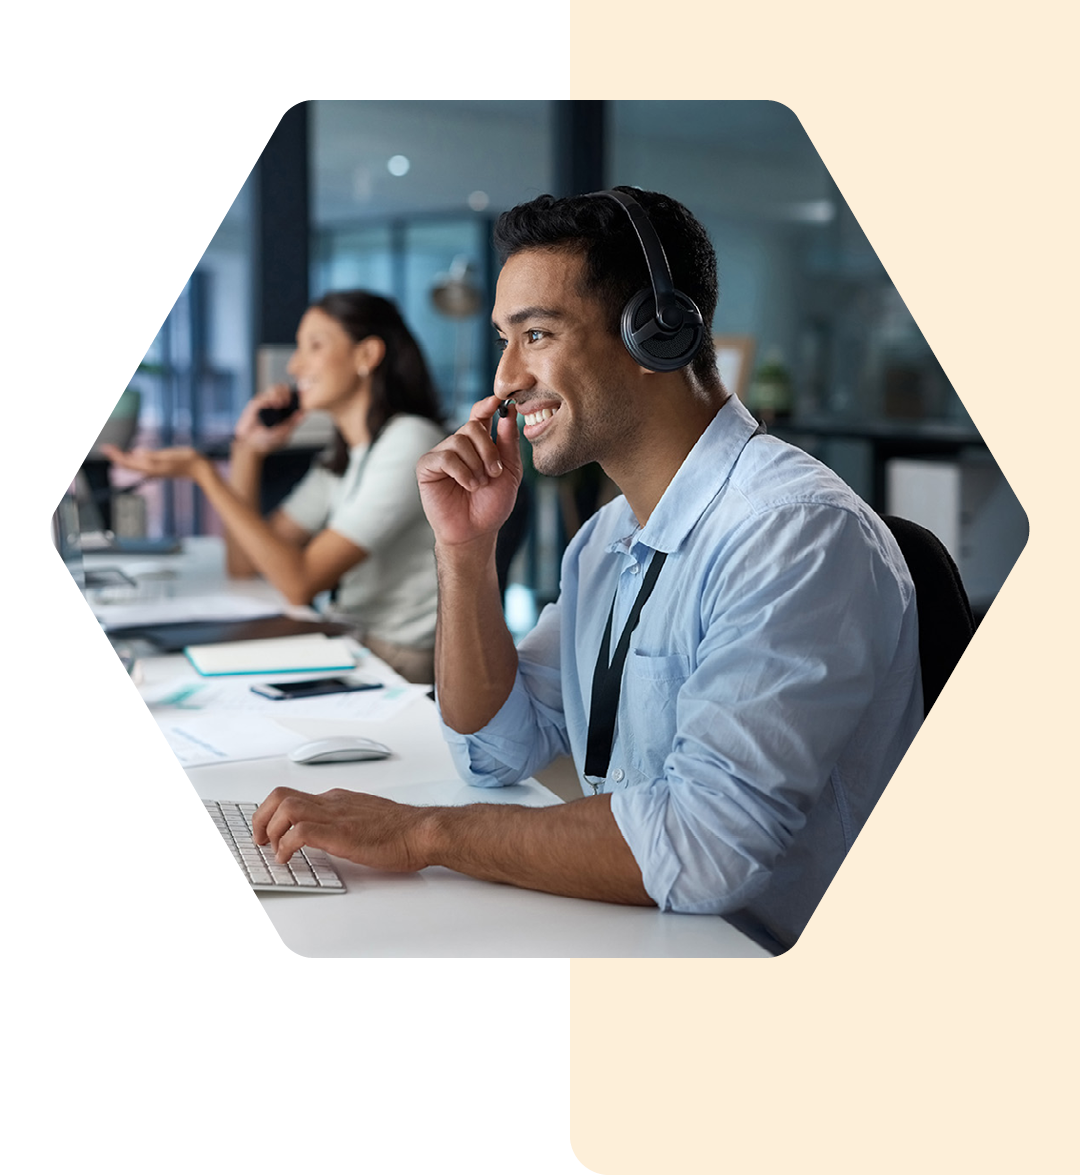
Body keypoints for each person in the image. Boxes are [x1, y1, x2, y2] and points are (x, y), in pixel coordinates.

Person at [252, 189, 923, 952]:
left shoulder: (793, 534)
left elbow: (705, 848)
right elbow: (495, 748)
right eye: (503, 339)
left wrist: (423, 833)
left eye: (536, 333)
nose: (504, 377)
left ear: (655, 336)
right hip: (636, 929)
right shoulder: (608, 538)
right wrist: (465, 551)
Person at [105, 290, 445, 683]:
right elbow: (245, 564)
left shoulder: (408, 442)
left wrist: (204, 473)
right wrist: (248, 452)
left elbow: (298, 582)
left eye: (314, 346)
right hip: (354, 641)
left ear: (366, 356)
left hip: (397, 659)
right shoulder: (346, 453)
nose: (296, 366)